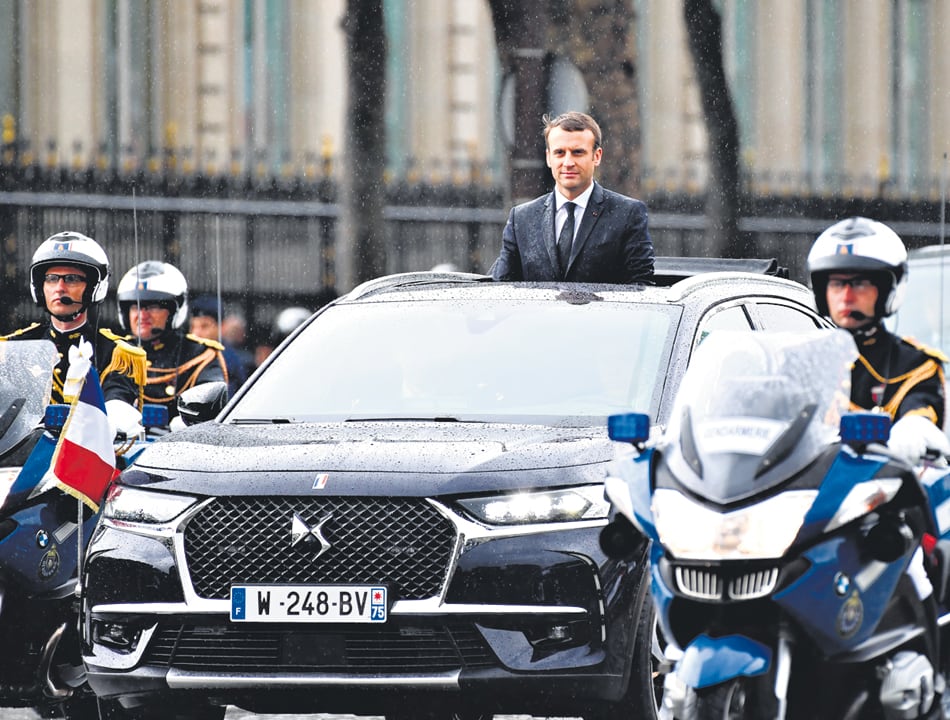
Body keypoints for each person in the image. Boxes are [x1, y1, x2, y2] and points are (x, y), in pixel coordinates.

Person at [807, 216, 949, 463]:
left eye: (859, 284)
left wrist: (912, 431)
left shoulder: (915, 365)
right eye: (837, 284)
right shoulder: (804, 359)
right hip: (803, 482)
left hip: (881, 480)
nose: (846, 297)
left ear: (886, 291)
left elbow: (921, 413)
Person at [490, 111, 654, 283]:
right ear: (548, 158)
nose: (568, 163)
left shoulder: (627, 214)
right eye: (560, 152)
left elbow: (640, 286)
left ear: (597, 156)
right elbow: (502, 286)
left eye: (577, 152)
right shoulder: (521, 218)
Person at [0, 231, 146, 413]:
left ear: (93, 288)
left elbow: (118, 403)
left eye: (71, 279)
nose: (59, 288)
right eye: (51, 279)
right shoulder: (14, 347)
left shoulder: (115, 354)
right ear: (40, 288)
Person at [113, 261, 228, 418]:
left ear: (174, 311)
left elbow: (210, 404)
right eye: (135, 306)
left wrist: (185, 422)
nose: (142, 315)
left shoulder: (200, 355)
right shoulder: (117, 354)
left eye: (153, 306)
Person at [189, 295, 252, 396]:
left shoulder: (227, 362)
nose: (196, 333)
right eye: (193, 326)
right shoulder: (186, 354)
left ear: (222, 327)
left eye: (204, 326)